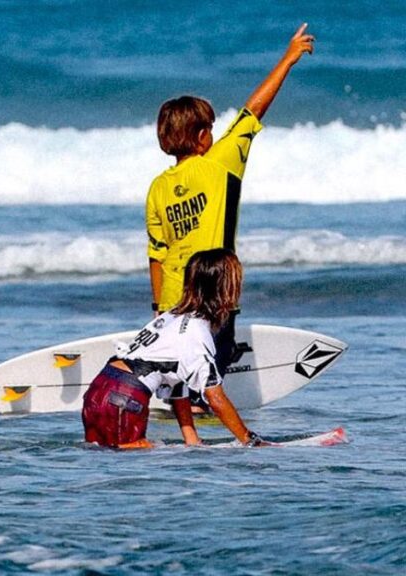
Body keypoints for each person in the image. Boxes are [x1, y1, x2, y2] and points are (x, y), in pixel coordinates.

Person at [146, 24, 315, 380]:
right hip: (213, 292)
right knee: (213, 366)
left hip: (173, 298)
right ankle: (206, 411)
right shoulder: (220, 163)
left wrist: (158, 309)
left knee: (186, 366)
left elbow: (157, 255)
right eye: (209, 127)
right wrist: (288, 59)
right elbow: (254, 110)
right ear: (202, 137)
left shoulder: (158, 187)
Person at [82, 249, 268, 449]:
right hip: (124, 399)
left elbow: (176, 379)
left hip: (99, 391)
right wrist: (250, 441)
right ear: (224, 288)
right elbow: (215, 397)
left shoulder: (170, 317)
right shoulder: (196, 333)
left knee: (104, 459)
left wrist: (191, 437)